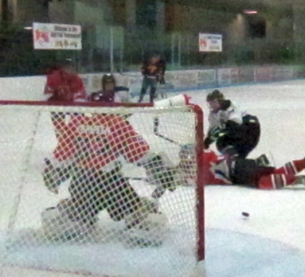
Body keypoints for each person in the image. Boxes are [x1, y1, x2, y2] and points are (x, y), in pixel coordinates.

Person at [40, 96, 176, 244]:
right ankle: (140, 224)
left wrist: (53, 174)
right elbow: (138, 153)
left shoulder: (76, 124)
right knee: (133, 210)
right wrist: (160, 168)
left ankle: (73, 218)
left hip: (82, 182)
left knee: (80, 210)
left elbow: (62, 156)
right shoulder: (118, 124)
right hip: (111, 183)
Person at [176, 146, 305, 189]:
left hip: (236, 172)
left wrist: (178, 174)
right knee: (273, 172)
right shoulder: (206, 155)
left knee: (262, 182)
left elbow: (187, 180)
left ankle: (295, 179)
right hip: (242, 163)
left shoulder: (199, 169)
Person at [204, 89, 261, 160]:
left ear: (220, 101)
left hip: (250, 128)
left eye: (214, 102)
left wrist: (212, 137)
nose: (212, 105)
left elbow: (234, 124)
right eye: (210, 103)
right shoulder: (213, 115)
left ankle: (234, 158)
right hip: (239, 131)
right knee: (222, 142)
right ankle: (238, 162)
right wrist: (206, 142)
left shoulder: (230, 106)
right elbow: (213, 130)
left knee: (223, 140)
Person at [44, 59, 86, 138]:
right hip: (57, 104)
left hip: (72, 104)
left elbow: (80, 96)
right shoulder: (53, 77)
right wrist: (56, 92)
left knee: (80, 118)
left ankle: (78, 139)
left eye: (70, 66)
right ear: (62, 68)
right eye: (66, 66)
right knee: (58, 122)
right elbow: (47, 94)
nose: (68, 68)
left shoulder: (77, 79)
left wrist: (74, 101)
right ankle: (62, 140)